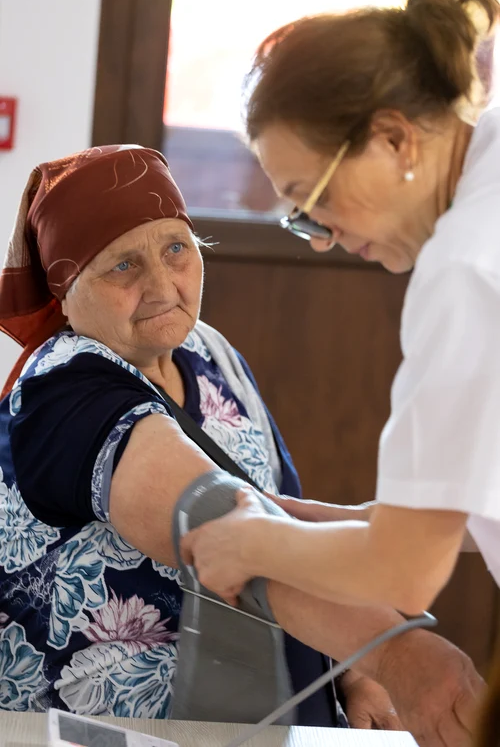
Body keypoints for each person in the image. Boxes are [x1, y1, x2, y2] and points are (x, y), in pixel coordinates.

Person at [0, 145, 482, 744]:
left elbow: (284, 511)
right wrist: (393, 650)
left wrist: (353, 668)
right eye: (122, 265)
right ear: (65, 289)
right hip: (124, 731)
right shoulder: (61, 390)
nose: (161, 286)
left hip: (267, 717)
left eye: (176, 249)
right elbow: (214, 522)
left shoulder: (208, 353)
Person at [181, 0, 500, 680]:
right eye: (301, 215)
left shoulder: (464, 269)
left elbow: (405, 571)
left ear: (395, 139)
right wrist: (348, 521)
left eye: (315, 195)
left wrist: (254, 545)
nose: (321, 236)